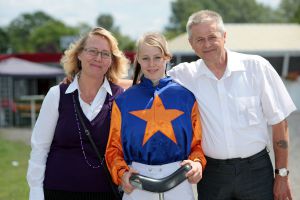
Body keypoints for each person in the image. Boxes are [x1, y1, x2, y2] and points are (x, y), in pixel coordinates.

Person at [168, 10, 297, 200]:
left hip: (257, 172)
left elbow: (280, 124)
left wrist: (282, 176)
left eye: (212, 37)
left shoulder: (256, 68)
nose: (207, 44)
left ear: (224, 36)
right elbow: (146, 81)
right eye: (199, 39)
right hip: (212, 175)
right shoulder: (183, 75)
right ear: (191, 44)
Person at [27, 27, 129, 200]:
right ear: (79, 54)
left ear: (112, 60)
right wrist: (36, 192)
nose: (98, 58)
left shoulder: (121, 98)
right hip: (58, 191)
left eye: (105, 54)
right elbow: (39, 148)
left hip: (106, 192)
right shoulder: (56, 95)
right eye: (92, 51)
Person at [105, 32, 207, 200]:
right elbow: (113, 149)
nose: (151, 64)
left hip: (179, 182)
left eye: (157, 57)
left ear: (167, 57)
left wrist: (197, 163)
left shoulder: (186, 97)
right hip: (137, 184)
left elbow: (197, 145)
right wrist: (122, 174)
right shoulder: (123, 101)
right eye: (145, 58)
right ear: (137, 59)